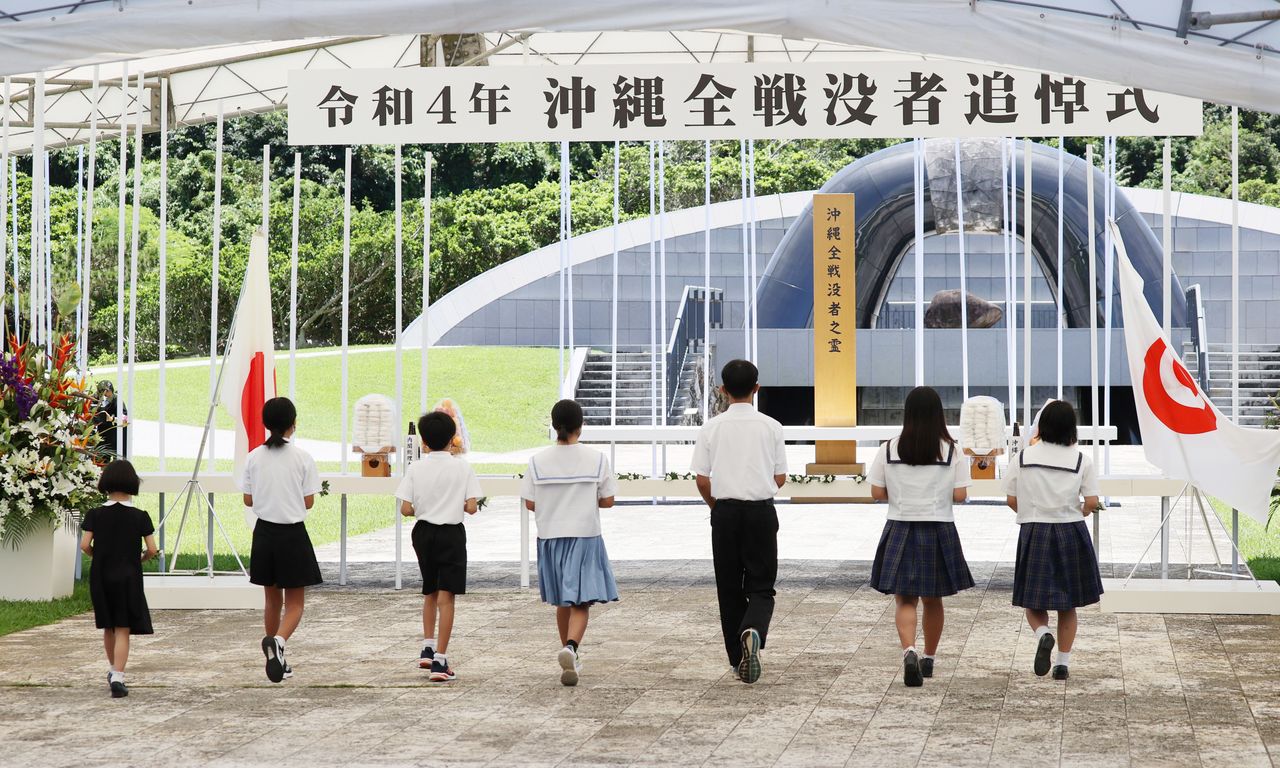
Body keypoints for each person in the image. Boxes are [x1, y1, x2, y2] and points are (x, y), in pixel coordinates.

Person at [868, 385, 973, 687]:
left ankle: (909, 650)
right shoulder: (951, 450)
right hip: (938, 528)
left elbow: (876, 492)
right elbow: (961, 494)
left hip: (900, 527)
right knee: (934, 600)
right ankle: (929, 657)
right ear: (939, 414)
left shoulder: (889, 447)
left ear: (908, 414)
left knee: (905, 599)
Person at [691, 359, 787, 685]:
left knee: (729, 589)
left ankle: (737, 660)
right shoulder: (772, 426)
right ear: (757, 389)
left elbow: (702, 479)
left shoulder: (711, 428)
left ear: (722, 390)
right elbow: (780, 477)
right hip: (761, 511)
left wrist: (715, 505)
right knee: (762, 585)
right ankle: (754, 630)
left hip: (725, 512)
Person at [521, 399, 618, 686]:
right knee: (582, 600)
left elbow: (530, 502)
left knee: (563, 600)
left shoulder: (537, 461)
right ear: (581, 426)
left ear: (554, 426)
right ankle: (572, 647)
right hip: (585, 534)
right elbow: (608, 500)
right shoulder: (596, 458)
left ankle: (569, 653)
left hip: (550, 536)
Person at [1004, 400, 1103, 681]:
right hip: (1070, 530)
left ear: (1041, 426)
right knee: (1068, 603)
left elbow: (1011, 499)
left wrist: (1030, 512)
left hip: (1035, 530)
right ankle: (1062, 664)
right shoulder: (1082, 460)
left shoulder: (1023, 457)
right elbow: (1092, 501)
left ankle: (1043, 633)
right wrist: (1079, 511)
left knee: (1033, 602)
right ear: (1071, 428)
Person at [396, 411, 482, 682]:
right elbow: (471, 507)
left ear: (423, 441)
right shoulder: (462, 467)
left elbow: (406, 509)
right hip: (451, 534)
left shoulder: (415, 468)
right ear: (452, 439)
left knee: (429, 591)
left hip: (423, 534)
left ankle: (427, 645)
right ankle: (441, 661)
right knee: (447, 597)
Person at [240, 397, 322, 684]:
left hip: (263, 533)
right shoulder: (302, 457)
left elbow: (248, 499)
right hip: (292, 534)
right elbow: (309, 501)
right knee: (295, 603)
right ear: (293, 423)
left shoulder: (253, 456)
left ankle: (277, 658)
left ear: (265, 424)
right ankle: (279, 641)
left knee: (271, 600)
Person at [80, 459, 158, 698]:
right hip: (129, 576)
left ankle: (112, 669)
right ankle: (118, 674)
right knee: (123, 627)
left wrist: (99, 556)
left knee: (108, 625)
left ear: (106, 483)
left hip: (102, 575)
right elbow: (152, 549)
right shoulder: (140, 516)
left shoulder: (95, 514)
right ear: (132, 484)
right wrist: (140, 559)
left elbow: (85, 545)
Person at [91, 380, 128, 457]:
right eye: (103, 391)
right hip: (102, 436)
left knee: (119, 462)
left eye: (107, 391)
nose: (106, 394)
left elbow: (125, 419)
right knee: (101, 460)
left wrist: (112, 419)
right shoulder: (95, 400)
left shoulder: (117, 401)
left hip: (116, 436)